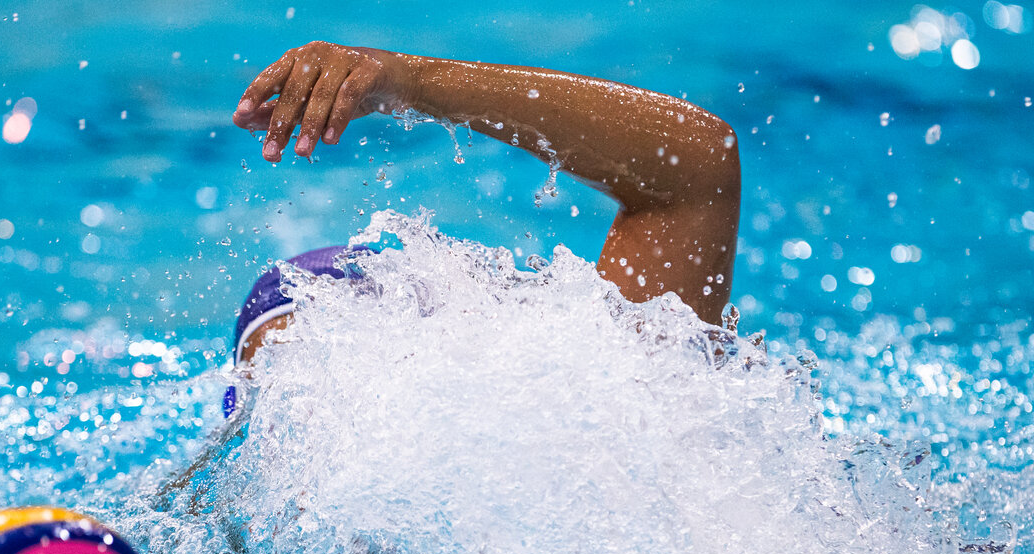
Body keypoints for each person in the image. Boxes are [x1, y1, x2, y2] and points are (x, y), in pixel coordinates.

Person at [156, 41, 740, 502]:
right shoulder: (201, 535)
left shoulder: (611, 440)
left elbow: (696, 164)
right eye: (302, 378)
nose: (339, 407)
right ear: (247, 434)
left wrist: (407, 81)